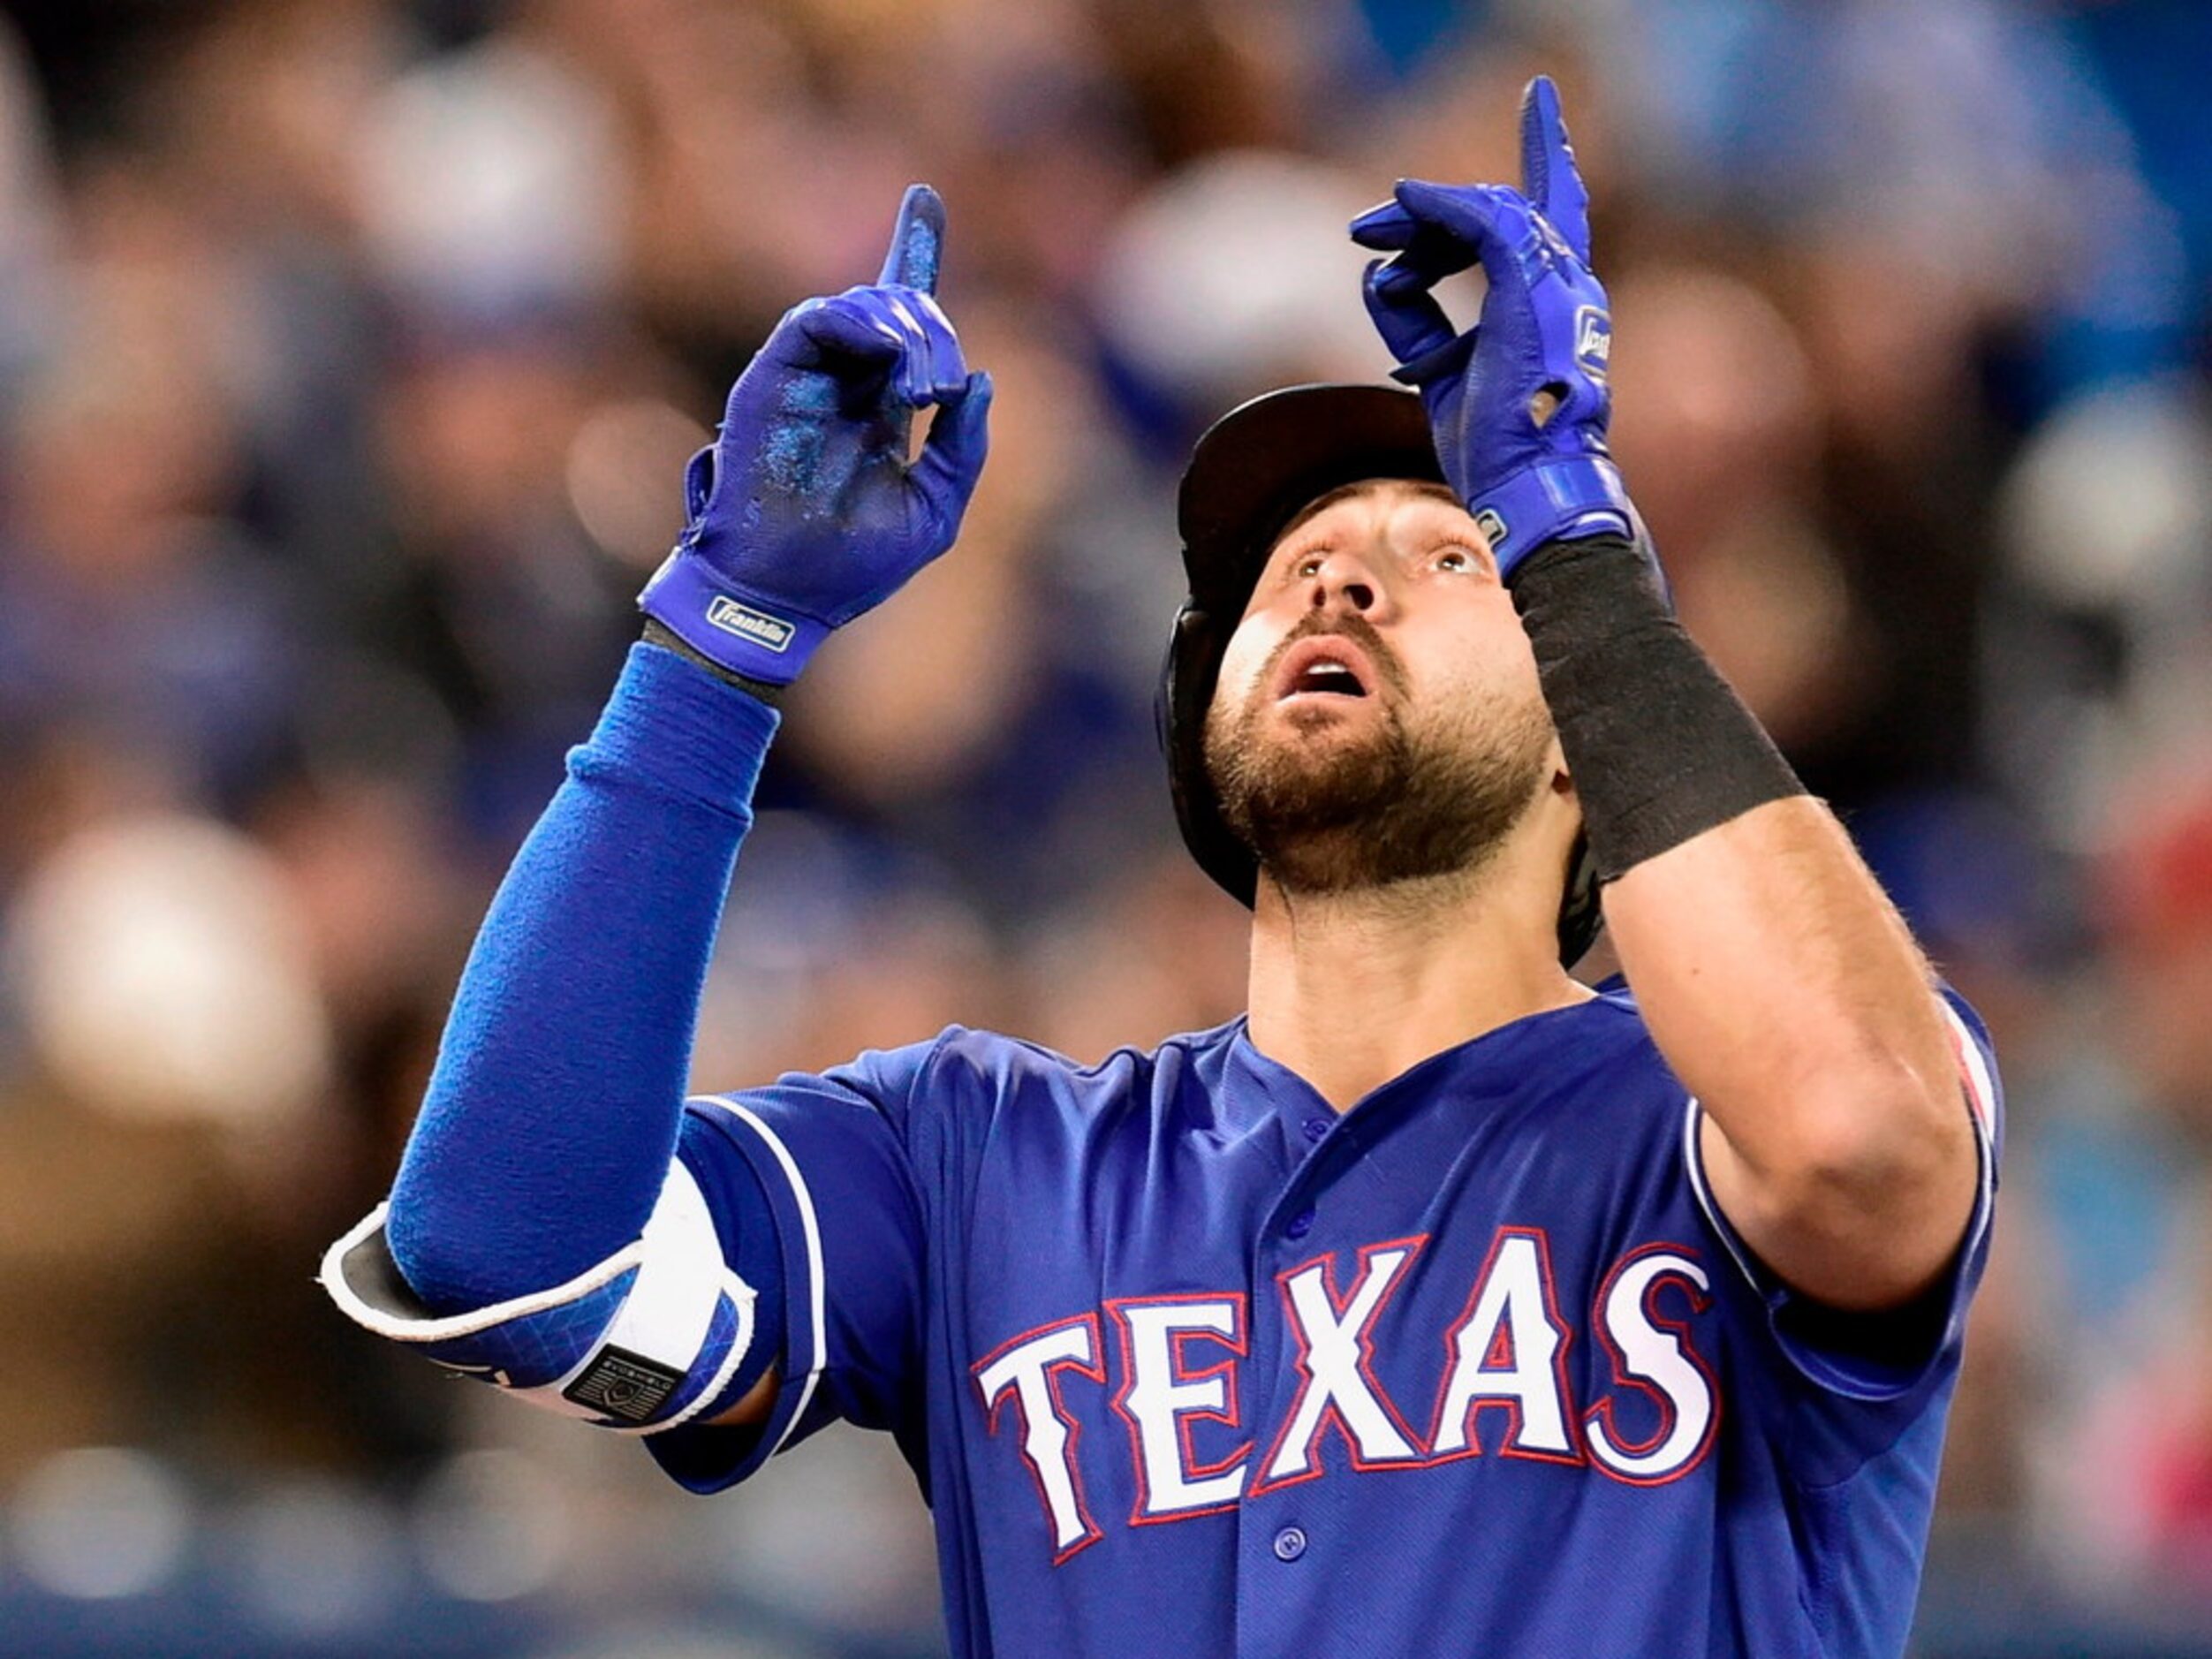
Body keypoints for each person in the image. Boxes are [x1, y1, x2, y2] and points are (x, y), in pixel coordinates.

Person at [323, 80, 1999, 1658]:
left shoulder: (1703, 1122)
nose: (1343, 579)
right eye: (1299, 565)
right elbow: (502, 1250)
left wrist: (1568, 515)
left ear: (1595, 724)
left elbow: (1857, 1136)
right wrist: (715, 641)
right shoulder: (979, 1163)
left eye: (1450, 557)